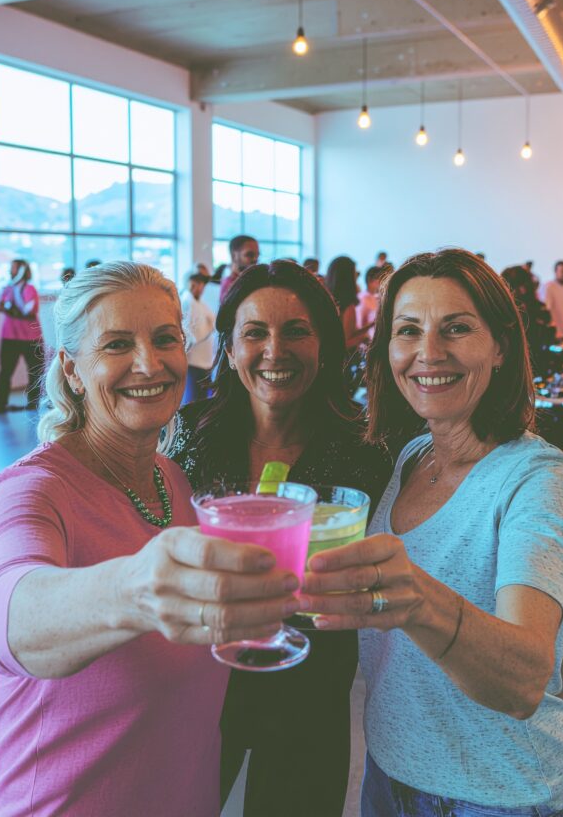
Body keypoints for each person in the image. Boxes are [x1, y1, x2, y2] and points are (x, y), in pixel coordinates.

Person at [0, 262, 300, 817]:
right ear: (72, 369)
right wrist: (136, 590)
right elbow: (15, 616)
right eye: (117, 344)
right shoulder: (31, 490)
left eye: (165, 339)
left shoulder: (172, 480)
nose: (149, 364)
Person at [302, 249, 563, 817]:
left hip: (498, 796)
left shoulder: (540, 480)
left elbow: (523, 680)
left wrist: (412, 595)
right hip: (388, 776)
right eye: (408, 330)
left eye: (456, 328)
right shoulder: (412, 457)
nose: (429, 352)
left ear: (500, 346)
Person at [169, 260, 391, 817]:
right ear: (228, 347)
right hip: (200, 688)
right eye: (254, 333)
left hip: (309, 696)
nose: (275, 351)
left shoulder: (365, 450)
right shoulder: (190, 435)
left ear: (325, 346)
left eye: (296, 331)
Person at [0, 260, 45, 414]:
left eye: (13, 268)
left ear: (22, 270)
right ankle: (1, 404)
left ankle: (33, 404)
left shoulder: (30, 289)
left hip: (31, 337)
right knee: (5, 371)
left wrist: (11, 308)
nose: (10, 270)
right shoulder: (7, 289)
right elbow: (1, 305)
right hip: (10, 337)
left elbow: (29, 311)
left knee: (35, 372)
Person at [180, 270, 216, 405]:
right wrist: (209, 329)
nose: (201, 288)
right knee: (193, 401)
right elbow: (189, 335)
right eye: (199, 284)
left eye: (202, 284)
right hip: (194, 363)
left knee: (201, 401)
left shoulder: (200, 303)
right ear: (192, 284)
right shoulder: (186, 302)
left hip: (205, 362)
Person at [325, 255, 374, 351]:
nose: (357, 276)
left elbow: (348, 333)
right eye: (355, 273)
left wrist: (370, 325)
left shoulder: (329, 300)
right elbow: (344, 343)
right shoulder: (347, 305)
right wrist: (364, 337)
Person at [219, 234, 260, 301]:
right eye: (250, 255)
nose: (255, 259)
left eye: (257, 255)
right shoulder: (231, 286)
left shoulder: (250, 281)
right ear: (234, 256)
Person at [357, 265, 384, 339]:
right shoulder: (362, 298)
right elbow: (359, 325)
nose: (382, 282)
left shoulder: (379, 297)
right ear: (370, 280)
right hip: (367, 341)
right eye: (380, 279)